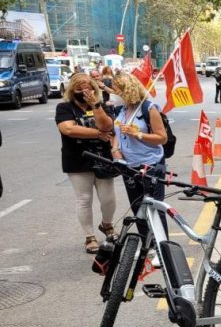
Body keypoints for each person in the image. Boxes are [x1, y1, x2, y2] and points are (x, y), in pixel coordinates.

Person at [55, 73, 118, 253]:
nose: (84, 91)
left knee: (108, 198)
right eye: (79, 88)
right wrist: (97, 134)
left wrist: (95, 105)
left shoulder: (103, 105)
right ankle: (89, 237)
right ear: (71, 90)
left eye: (88, 87)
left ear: (94, 88)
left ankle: (107, 225)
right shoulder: (64, 107)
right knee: (83, 199)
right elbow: (68, 129)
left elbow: (107, 126)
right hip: (77, 158)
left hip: (103, 157)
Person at [110, 74, 169, 235]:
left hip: (150, 164)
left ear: (126, 91)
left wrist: (138, 134)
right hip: (129, 166)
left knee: (154, 207)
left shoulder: (148, 108)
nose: (112, 94)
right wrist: (115, 150)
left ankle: (162, 249)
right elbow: (115, 134)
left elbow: (162, 138)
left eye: (115, 91)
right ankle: (146, 247)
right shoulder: (121, 110)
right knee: (138, 209)